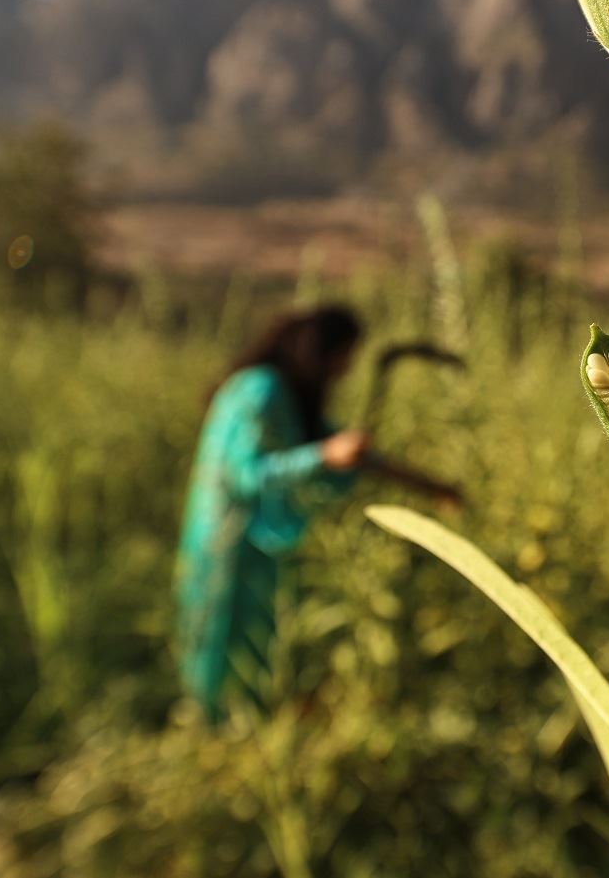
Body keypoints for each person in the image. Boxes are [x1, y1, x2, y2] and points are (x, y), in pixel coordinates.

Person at [174, 305, 457, 723]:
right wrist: (322, 456)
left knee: (259, 636)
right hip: (228, 540)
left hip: (258, 541)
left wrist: (432, 487)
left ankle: (247, 724)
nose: (344, 371)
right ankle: (211, 724)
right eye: (344, 358)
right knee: (221, 631)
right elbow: (247, 473)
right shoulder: (261, 390)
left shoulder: (288, 396)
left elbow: (354, 456)